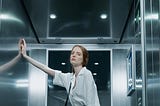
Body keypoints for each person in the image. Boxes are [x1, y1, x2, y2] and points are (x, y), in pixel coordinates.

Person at [19, 39, 100, 106]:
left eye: (78, 54)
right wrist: (26, 56)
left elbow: (91, 101)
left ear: (84, 59)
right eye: (72, 53)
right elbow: (45, 68)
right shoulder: (69, 78)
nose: (74, 55)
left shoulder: (86, 74)